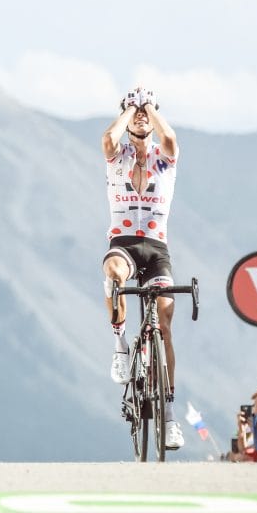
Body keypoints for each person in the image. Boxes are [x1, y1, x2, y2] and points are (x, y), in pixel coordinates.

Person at [101, 85, 184, 448]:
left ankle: (168, 417)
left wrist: (148, 108)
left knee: (164, 321)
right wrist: (129, 109)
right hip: (124, 243)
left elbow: (169, 136)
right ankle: (120, 343)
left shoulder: (163, 157)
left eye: (145, 112)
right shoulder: (116, 156)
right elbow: (107, 138)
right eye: (133, 112)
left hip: (157, 247)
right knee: (114, 274)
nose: (140, 115)